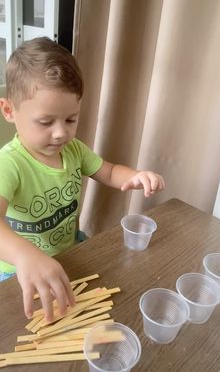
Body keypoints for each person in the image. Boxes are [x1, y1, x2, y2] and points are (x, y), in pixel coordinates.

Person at [0, 37, 165, 322]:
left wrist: (137, 176)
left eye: (70, 119)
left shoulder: (73, 150)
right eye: (45, 121)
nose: (60, 133)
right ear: (9, 111)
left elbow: (109, 171)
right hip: (18, 268)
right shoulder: (9, 163)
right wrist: (25, 256)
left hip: (69, 251)